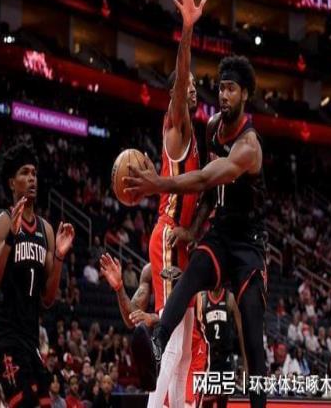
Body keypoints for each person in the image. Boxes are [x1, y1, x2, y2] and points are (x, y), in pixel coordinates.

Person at [123, 54, 268, 408]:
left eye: (231, 89)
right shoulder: (212, 127)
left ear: (245, 94)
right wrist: (191, 229)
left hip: (248, 245)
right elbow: (209, 193)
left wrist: (159, 183)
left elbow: (205, 178)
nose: (224, 95)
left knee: (252, 338)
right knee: (188, 279)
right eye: (221, 88)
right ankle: (156, 343)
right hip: (220, 234)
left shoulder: (249, 147)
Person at [126, 0, 206, 408]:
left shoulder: (193, 133)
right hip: (169, 236)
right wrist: (187, 30)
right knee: (173, 342)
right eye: (186, 86)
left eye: (194, 87)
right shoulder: (177, 125)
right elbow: (181, 76)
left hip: (181, 240)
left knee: (185, 345)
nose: (192, 89)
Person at [0, 143, 75, 407]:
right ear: (12, 183)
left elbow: (48, 299)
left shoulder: (46, 230)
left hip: (30, 337)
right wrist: (11, 237)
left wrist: (59, 257)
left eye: (34, 173)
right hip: (6, 335)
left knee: (44, 403)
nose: (32, 178)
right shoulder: (3, 221)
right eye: (24, 172)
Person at [100, 253, 208, 407]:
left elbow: (184, 314)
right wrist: (119, 288)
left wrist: (154, 318)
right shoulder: (149, 271)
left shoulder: (190, 258)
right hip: (166, 348)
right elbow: (131, 319)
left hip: (193, 349)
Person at [198, 288, 247, 408]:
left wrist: (245, 363)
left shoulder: (230, 299)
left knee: (222, 402)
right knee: (206, 403)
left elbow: (241, 331)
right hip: (208, 359)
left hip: (225, 359)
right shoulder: (203, 300)